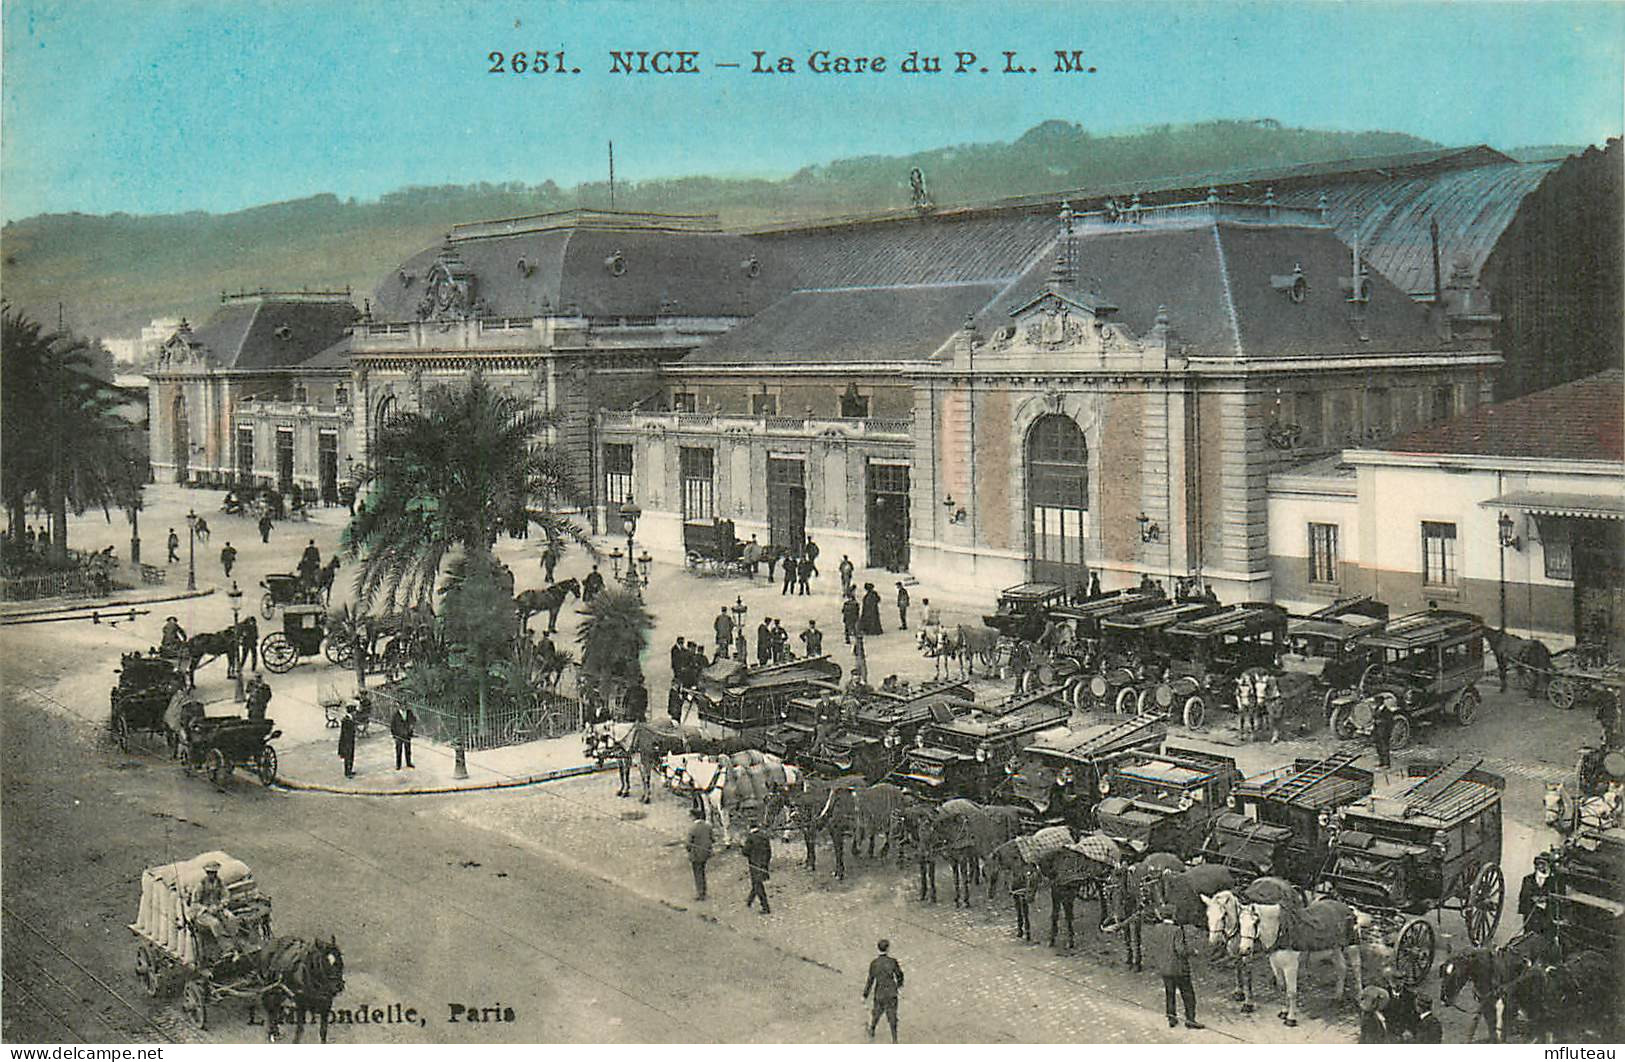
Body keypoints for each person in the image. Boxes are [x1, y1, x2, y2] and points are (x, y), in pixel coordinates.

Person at [1147, 903, 1202, 1030]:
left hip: (1165, 967)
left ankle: (1172, 1018)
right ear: (1173, 915)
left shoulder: (1157, 928)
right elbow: (1180, 950)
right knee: (1188, 993)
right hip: (1179, 968)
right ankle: (1190, 1019)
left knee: (1169, 993)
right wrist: (1192, 951)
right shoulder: (1176, 930)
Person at [191, 861, 242, 961]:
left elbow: (226, 895)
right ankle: (227, 949)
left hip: (218, 909)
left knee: (232, 918)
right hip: (204, 914)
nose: (212, 875)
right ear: (206, 873)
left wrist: (222, 904)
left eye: (214, 872)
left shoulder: (219, 882)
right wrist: (206, 908)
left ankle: (237, 943)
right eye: (210, 872)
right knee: (215, 924)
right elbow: (195, 903)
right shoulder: (201, 885)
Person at [863, 939, 905, 1042]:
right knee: (892, 1016)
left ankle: (872, 1029)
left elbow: (870, 980)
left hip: (880, 992)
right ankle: (894, 1039)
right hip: (891, 992)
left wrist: (865, 995)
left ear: (878, 948)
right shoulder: (892, 962)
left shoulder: (874, 963)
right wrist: (899, 986)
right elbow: (900, 975)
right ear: (888, 949)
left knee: (877, 1013)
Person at [1518, 853, 1563, 936]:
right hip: (1531, 914)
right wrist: (1531, 900)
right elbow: (1523, 896)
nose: (1540, 866)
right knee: (1529, 934)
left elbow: (1559, 897)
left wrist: (1546, 899)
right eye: (1538, 864)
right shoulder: (1527, 879)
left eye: (1543, 864)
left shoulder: (1554, 881)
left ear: (1549, 865)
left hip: (1546, 915)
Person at [743, 823, 772, 914]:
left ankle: (765, 907)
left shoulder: (750, 838)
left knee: (757, 885)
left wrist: (742, 847)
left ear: (749, 828)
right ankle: (749, 901)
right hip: (764, 864)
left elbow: (745, 852)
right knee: (756, 883)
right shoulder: (764, 836)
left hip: (754, 864)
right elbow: (769, 851)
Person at [686, 807, 714, 901]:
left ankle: (701, 893)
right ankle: (704, 890)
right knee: (702, 871)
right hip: (706, 853)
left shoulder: (692, 828)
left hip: (696, 854)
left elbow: (688, 843)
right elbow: (712, 839)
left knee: (698, 873)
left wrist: (689, 850)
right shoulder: (708, 826)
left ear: (694, 817)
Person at [1371, 694, 1398, 768]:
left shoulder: (1387, 711)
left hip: (1384, 732)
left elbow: (1390, 721)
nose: (1376, 703)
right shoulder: (1377, 709)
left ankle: (1386, 763)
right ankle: (1381, 762)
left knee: (1384, 748)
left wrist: (1381, 722)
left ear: (1381, 702)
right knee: (1378, 747)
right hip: (1377, 731)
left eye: (1377, 701)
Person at [390, 701, 416, 770]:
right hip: (399, 735)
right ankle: (398, 765)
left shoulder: (409, 713)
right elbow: (393, 725)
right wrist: (394, 735)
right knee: (398, 750)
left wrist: (411, 726)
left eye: (405, 705)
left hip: (407, 734)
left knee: (408, 749)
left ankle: (409, 762)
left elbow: (413, 720)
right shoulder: (396, 715)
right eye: (402, 706)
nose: (404, 707)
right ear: (400, 706)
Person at [1261, 671, 1284, 743]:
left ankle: (1275, 735)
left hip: (1274, 699)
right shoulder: (1265, 680)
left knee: (1275, 718)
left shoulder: (1272, 680)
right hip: (1268, 699)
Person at [338, 706, 357, 778]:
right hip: (346, 741)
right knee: (347, 756)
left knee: (351, 755)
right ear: (352, 712)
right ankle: (347, 772)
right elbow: (345, 733)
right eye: (354, 712)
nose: (355, 713)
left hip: (350, 740)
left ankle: (350, 770)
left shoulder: (350, 719)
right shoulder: (346, 720)